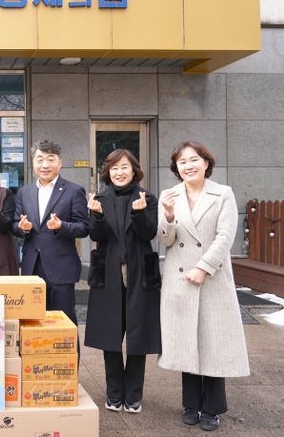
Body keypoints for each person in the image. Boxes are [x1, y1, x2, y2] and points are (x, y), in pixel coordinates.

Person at [158, 141, 249, 432]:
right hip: (180, 279)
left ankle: (211, 408)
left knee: (213, 343)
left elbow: (225, 237)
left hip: (212, 278)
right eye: (182, 162)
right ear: (177, 168)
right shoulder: (170, 195)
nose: (188, 166)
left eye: (194, 160)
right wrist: (168, 215)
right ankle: (190, 404)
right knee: (186, 342)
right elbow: (166, 239)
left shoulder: (222, 194)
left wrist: (203, 267)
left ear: (206, 163)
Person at [84, 149, 161, 414]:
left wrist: (140, 214)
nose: (119, 172)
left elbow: (149, 233)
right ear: (108, 172)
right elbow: (96, 235)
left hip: (140, 273)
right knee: (110, 334)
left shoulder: (147, 198)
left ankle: (134, 395)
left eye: (124, 167)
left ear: (134, 170)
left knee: (139, 335)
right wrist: (97, 215)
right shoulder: (100, 199)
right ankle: (114, 394)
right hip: (108, 274)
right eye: (114, 168)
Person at [13, 140, 89, 329]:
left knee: (64, 323)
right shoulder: (24, 192)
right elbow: (15, 225)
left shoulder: (74, 191)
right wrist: (23, 228)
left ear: (59, 163)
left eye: (50, 159)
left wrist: (61, 226)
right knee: (32, 323)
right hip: (32, 267)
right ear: (33, 163)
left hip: (61, 268)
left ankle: (68, 351)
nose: (45, 165)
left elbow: (84, 227)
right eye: (40, 159)